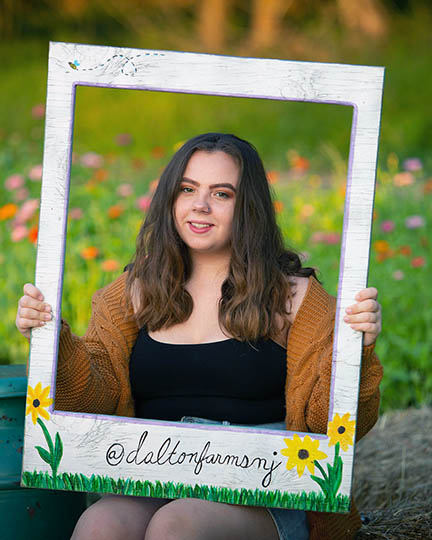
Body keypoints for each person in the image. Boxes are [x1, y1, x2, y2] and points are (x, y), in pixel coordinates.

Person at [16, 133, 383, 540]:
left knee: (177, 527)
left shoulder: (292, 297)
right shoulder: (134, 292)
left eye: (222, 193)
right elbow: (93, 399)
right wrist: (51, 338)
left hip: (260, 493)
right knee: (99, 525)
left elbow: (333, 426)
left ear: (248, 207)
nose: (200, 205)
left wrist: (356, 354)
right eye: (187, 189)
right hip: (153, 477)